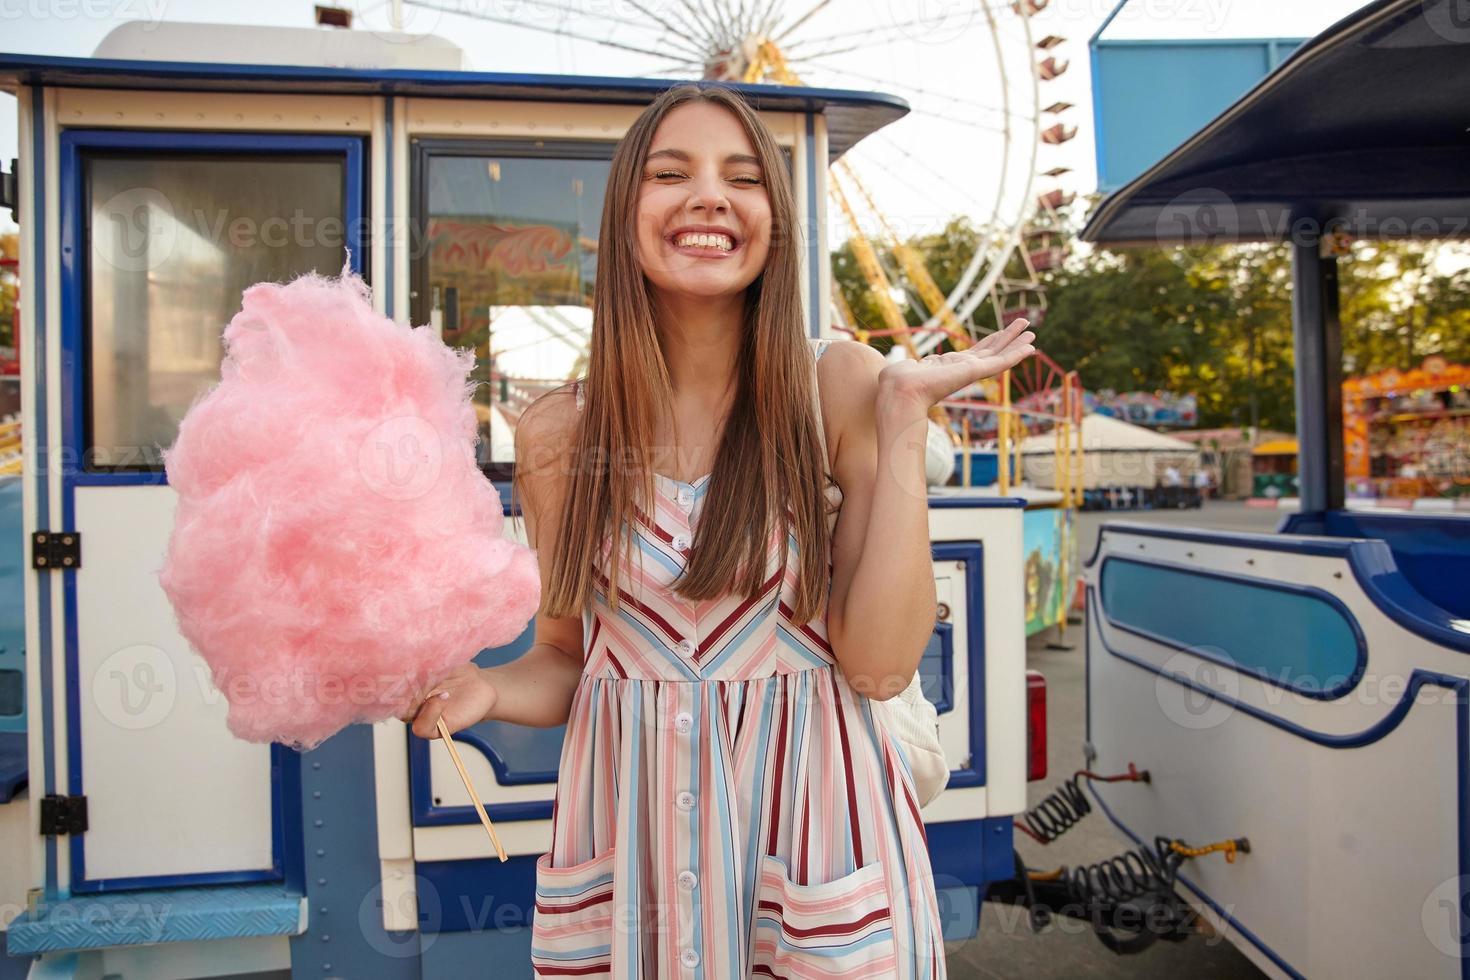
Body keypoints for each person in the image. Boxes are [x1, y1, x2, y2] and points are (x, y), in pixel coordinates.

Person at [400, 83, 1038, 978]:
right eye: (671, 173)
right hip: (635, 849)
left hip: (817, 834)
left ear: (774, 222)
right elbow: (570, 656)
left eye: (743, 178)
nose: (708, 195)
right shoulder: (558, 434)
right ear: (624, 215)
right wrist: (488, 693)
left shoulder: (840, 387)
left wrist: (901, 419)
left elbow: (881, 665)